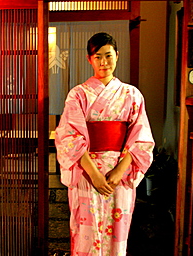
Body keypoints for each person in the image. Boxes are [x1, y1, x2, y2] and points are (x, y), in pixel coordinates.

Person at [54, 32, 155, 255]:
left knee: (117, 233)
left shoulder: (132, 94)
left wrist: (120, 170)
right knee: (86, 232)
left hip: (120, 172)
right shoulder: (78, 95)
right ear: (89, 59)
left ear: (117, 56)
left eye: (108, 56)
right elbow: (69, 137)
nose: (104, 62)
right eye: (97, 57)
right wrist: (95, 174)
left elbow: (140, 137)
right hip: (87, 171)